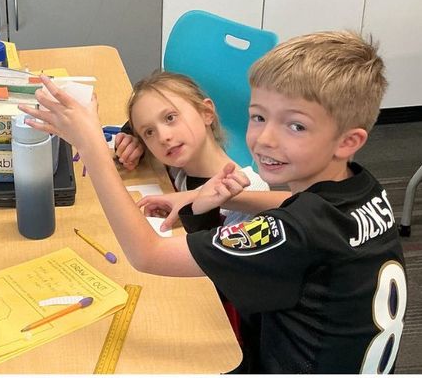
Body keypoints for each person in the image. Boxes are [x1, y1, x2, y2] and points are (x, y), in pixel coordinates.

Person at [22, 30, 407, 374]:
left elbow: (148, 254)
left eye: (296, 126)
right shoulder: (366, 190)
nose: (265, 140)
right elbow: (299, 206)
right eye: (258, 117)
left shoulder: (293, 234)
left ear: (347, 141)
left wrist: (90, 144)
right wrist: (209, 194)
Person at [111, 71, 271, 231]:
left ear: (206, 113)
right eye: (149, 132)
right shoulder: (177, 166)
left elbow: (227, 253)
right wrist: (130, 141)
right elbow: (140, 116)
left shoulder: (249, 189)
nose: (163, 137)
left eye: (170, 118)